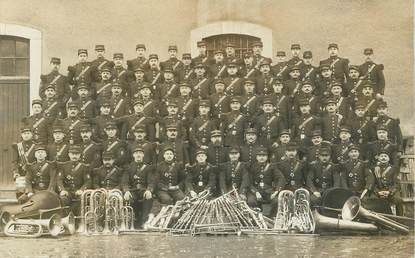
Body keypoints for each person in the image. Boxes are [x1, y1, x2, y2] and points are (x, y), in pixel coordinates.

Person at [247, 147, 285, 217]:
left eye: (264, 156)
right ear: (256, 157)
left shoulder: (272, 167)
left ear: (267, 157)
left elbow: (281, 178)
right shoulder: (252, 167)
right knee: (251, 201)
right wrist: (256, 192)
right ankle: (256, 218)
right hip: (256, 191)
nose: (262, 157)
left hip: (268, 191)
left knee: (276, 201)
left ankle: (271, 217)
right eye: (260, 156)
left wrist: (276, 191)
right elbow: (249, 182)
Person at [123, 146, 155, 227]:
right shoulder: (128, 167)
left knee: (148, 197)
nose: (138, 155)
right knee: (129, 198)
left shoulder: (148, 167)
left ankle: (144, 221)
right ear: (133, 155)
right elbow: (124, 181)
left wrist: (149, 190)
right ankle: (132, 221)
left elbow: (151, 181)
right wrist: (126, 190)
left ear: (143, 155)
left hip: (143, 190)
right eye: (136, 153)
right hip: (133, 191)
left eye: (140, 153)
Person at [56, 145, 91, 211]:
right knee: (63, 199)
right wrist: (62, 190)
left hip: (78, 190)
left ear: (80, 155)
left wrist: (82, 190)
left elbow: (88, 181)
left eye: (77, 154)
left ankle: (80, 219)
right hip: (67, 191)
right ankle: (65, 218)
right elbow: (59, 179)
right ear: (69, 154)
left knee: (83, 199)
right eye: (72, 154)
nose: (74, 156)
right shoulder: (63, 166)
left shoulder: (84, 167)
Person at [371, 150, 403, 216]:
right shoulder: (374, 169)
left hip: (390, 191)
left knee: (398, 200)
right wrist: (377, 192)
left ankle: (400, 218)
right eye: (381, 156)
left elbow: (396, 183)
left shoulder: (394, 169)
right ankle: (376, 219)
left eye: (385, 156)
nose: (383, 158)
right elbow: (372, 183)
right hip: (379, 191)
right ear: (379, 158)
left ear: (388, 158)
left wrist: (390, 192)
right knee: (372, 199)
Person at [11, 126, 36, 198]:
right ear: (22, 135)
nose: (26, 135)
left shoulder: (36, 145)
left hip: (33, 171)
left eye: (28, 133)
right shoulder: (18, 146)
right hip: (22, 171)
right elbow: (14, 161)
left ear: (31, 135)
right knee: (20, 192)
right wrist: (15, 172)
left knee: (32, 191)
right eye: (24, 134)